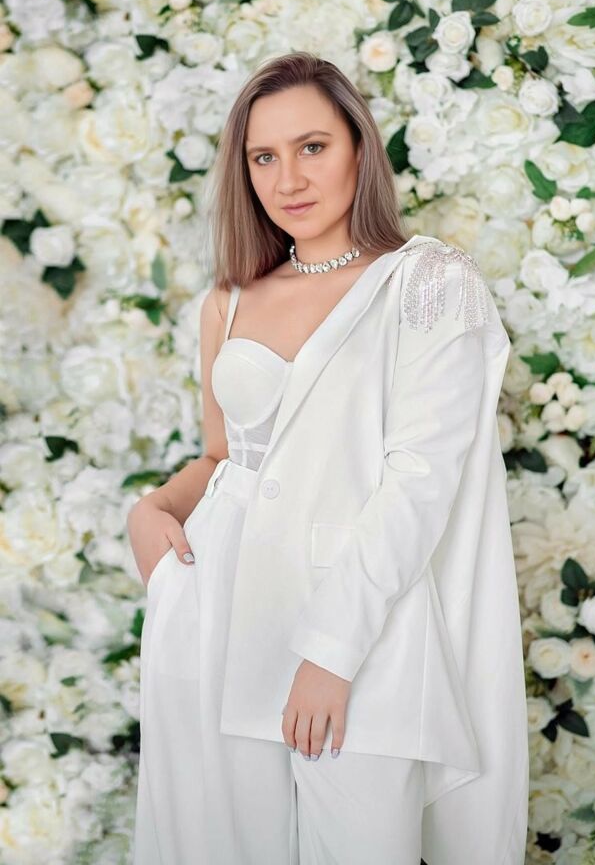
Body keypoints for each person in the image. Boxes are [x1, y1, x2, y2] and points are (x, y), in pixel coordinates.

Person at [128, 51, 529, 864]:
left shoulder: (427, 281)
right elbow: (222, 455)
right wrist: (155, 508)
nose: (289, 180)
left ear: (358, 147)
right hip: (218, 612)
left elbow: (420, 482)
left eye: (312, 147)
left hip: (363, 626)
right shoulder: (229, 299)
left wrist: (330, 653)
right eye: (263, 157)